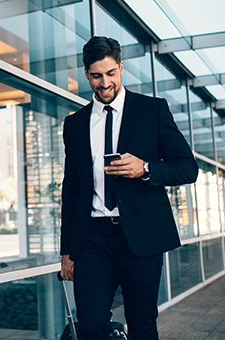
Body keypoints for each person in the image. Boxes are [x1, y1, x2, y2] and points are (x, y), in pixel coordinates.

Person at [60, 36, 198, 340]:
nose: (104, 82)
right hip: (92, 238)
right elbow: (71, 190)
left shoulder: (152, 110)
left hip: (141, 236)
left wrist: (146, 168)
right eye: (96, 75)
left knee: (142, 326)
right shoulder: (75, 124)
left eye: (111, 73)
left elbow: (188, 168)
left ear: (121, 68)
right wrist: (67, 251)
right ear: (86, 74)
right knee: (92, 325)